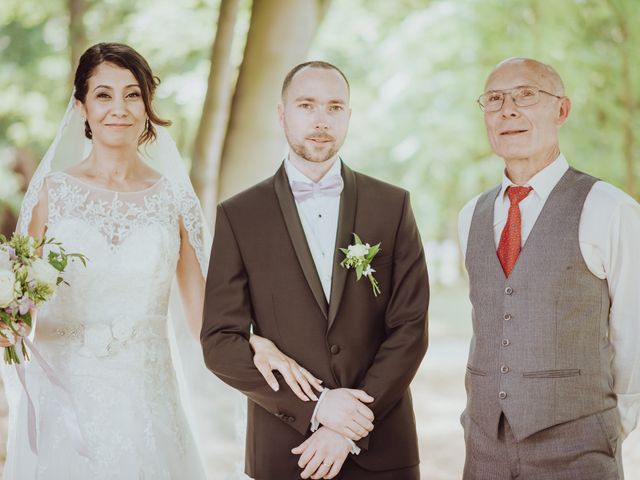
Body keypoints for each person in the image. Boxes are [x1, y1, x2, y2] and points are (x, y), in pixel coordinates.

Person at [1, 42, 316, 479]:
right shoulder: (51, 195)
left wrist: (255, 340)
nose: (120, 108)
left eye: (133, 94)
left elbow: (201, 316)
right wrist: (7, 323)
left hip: (146, 398)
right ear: (81, 107)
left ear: (147, 104)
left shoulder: (172, 200)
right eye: (103, 95)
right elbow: (21, 305)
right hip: (63, 398)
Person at [201, 61, 429, 480]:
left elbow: (410, 328)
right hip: (286, 452)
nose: (322, 120)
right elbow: (220, 342)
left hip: (382, 449)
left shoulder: (392, 206)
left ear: (349, 116)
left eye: (335, 107)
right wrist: (318, 407)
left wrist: (348, 427)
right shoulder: (239, 215)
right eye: (307, 105)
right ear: (282, 113)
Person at [458, 57, 640, 479]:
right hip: (483, 449)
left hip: (579, 451)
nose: (508, 110)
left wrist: (611, 428)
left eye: (526, 95)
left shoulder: (610, 209)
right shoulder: (472, 215)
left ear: (561, 110)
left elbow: (634, 331)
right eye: (494, 100)